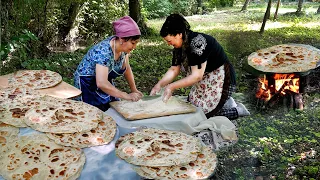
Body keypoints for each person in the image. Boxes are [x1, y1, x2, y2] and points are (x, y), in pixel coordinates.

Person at [150, 14, 250, 120]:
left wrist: (171, 87)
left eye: (169, 41)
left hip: (222, 77)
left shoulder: (198, 42)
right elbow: (174, 69)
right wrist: (159, 85)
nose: (169, 44)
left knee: (203, 115)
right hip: (204, 78)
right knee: (192, 106)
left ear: (179, 34)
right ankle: (223, 102)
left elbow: (196, 76)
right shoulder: (179, 45)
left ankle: (237, 110)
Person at [74, 16, 143, 111]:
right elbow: (101, 83)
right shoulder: (103, 51)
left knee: (114, 109)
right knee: (93, 113)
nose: (134, 46)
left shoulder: (123, 49)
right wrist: (125, 95)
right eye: (133, 43)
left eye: (136, 43)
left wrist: (134, 89)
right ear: (122, 39)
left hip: (104, 81)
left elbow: (127, 69)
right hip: (87, 83)